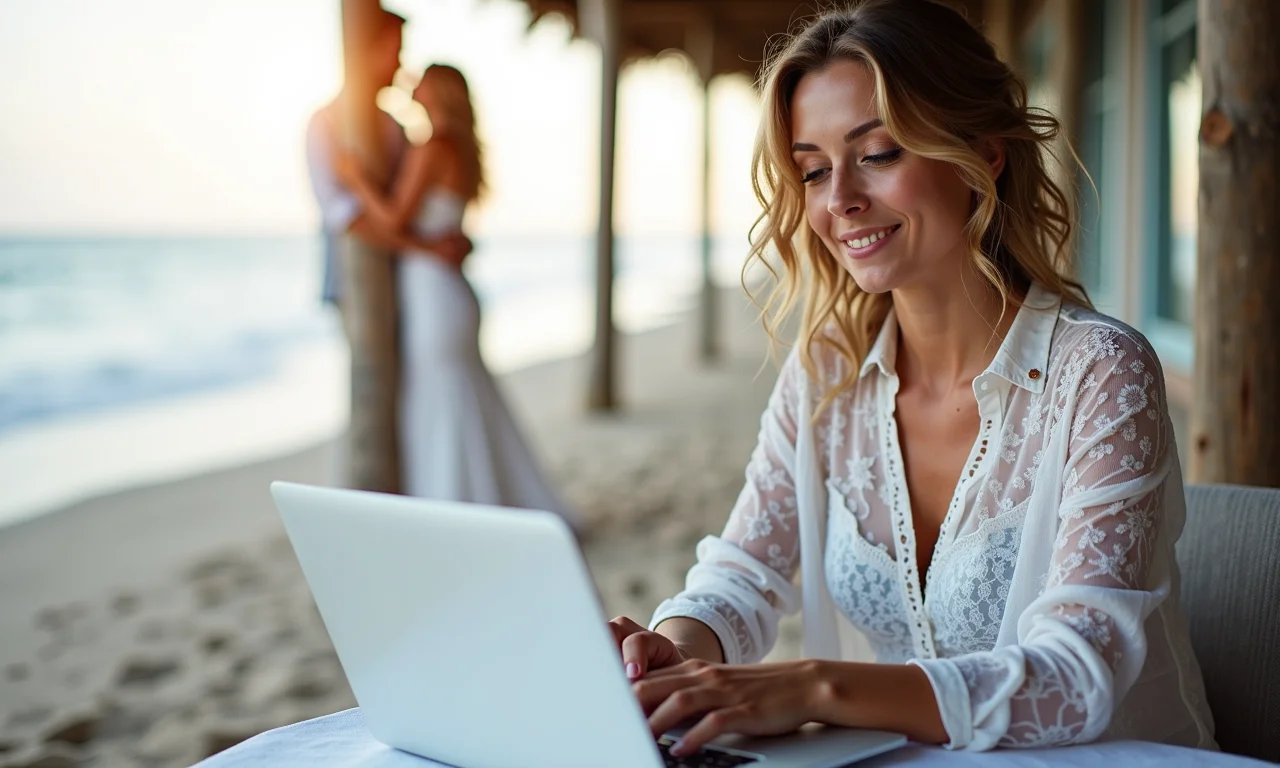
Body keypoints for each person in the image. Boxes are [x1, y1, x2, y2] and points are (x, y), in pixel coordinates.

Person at [607, 0, 1215, 756]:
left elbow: (1075, 675)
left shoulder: (1100, 373)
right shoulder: (825, 373)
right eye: (813, 170)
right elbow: (745, 571)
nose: (840, 202)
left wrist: (812, 689)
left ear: (983, 152)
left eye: (879, 153)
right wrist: (673, 645)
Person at [333, 64, 575, 523]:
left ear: (438, 91)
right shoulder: (459, 147)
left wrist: (354, 179)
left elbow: (390, 219)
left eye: (422, 78)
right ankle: (474, 506)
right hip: (446, 291)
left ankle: (456, 510)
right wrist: (431, 246)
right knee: (458, 400)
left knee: (441, 403)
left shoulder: (435, 145)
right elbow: (435, 233)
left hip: (433, 295)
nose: (412, 81)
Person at [304, 9, 471, 308]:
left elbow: (412, 207)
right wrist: (430, 248)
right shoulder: (325, 123)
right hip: (355, 286)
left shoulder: (396, 127)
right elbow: (348, 219)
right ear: (368, 52)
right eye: (396, 51)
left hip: (408, 283)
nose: (401, 64)